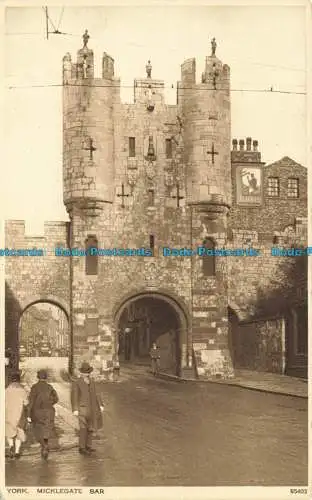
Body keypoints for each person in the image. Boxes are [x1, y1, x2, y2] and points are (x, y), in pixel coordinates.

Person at [71, 361, 105, 456]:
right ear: (81, 373)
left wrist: (101, 405)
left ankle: (88, 446)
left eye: (88, 372)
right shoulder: (77, 383)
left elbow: (97, 394)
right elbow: (74, 396)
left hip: (92, 408)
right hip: (82, 409)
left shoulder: (92, 382)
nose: (86, 374)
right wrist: (75, 409)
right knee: (83, 428)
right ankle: (82, 448)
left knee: (91, 428)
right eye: (85, 372)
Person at [27, 369, 59, 460]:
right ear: (46, 377)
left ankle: (44, 446)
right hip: (49, 411)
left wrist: (28, 414)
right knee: (46, 430)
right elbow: (56, 399)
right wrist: (50, 404)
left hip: (37, 412)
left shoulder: (34, 387)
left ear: (38, 377)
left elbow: (31, 401)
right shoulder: (50, 387)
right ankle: (45, 445)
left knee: (38, 430)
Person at [5, 371, 29, 459]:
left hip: (8, 415)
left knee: (9, 432)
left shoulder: (6, 390)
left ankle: (11, 446)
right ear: (19, 380)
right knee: (19, 433)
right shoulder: (22, 390)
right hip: (19, 415)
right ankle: (17, 451)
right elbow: (26, 403)